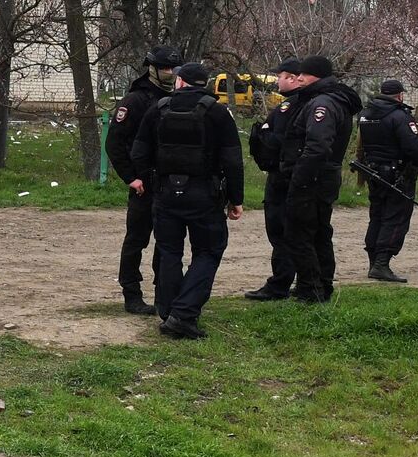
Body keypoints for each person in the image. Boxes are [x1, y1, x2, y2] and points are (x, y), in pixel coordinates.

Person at [129, 62, 244, 340]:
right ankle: (183, 313)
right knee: (208, 251)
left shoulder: (158, 109)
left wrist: (151, 181)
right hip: (204, 194)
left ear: (180, 82)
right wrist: (235, 199)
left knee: (169, 252)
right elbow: (232, 159)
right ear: (203, 84)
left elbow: (139, 152)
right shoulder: (217, 112)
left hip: (166, 193)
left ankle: (168, 310)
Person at [104, 45, 185, 315]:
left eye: (173, 68)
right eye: (165, 68)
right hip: (143, 183)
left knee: (169, 241)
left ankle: (166, 292)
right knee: (137, 240)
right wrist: (131, 178)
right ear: (152, 68)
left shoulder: (178, 97)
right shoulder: (136, 100)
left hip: (170, 183)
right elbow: (114, 143)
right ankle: (131, 293)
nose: (170, 73)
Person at [277, 55, 361, 303]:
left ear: (318, 76)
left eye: (304, 74)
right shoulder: (331, 99)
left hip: (312, 178)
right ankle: (322, 284)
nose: (298, 78)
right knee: (319, 232)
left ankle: (310, 289)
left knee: (300, 233)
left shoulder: (321, 104)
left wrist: (299, 178)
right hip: (324, 177)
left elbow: (317, 146)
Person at [357, 79, 418, 283]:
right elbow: (414, 147)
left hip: (373, 172)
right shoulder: (400, 116)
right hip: (398, 174)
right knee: (396, 218)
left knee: (377, 216)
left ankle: (374, 261)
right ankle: (382, 263)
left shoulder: (365, 114)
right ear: (399, 95)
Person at [245, 58, 306, 301]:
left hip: (282, 176)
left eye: (280, 76)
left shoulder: (289, 107)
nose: (277, 80)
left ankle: (279, 284)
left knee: (281, 232)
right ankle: (300, 282)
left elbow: (274, 142)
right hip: (292, 175)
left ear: (291, 78)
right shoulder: (303, 104)